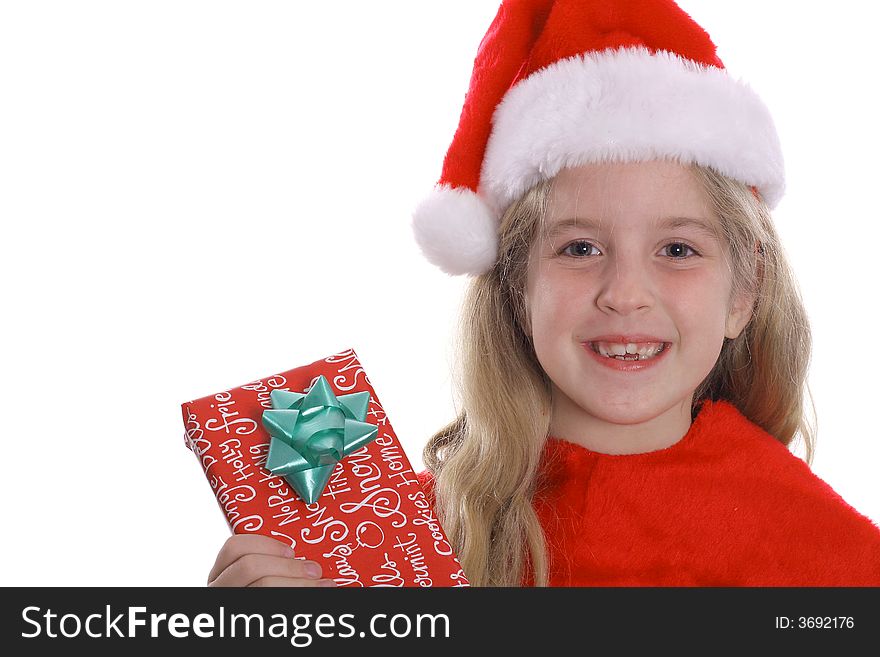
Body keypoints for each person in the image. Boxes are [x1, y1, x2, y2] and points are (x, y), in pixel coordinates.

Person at [208, 0, 880, 587]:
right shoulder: (393, 550)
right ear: (514, 284)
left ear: (746, 289)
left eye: (678, 250)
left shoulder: (838, 559)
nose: (624, 293)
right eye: (579, 248)